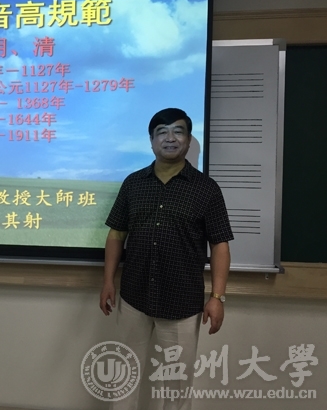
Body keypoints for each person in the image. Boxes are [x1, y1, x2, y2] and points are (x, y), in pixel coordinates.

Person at [99, 108, 233, 410]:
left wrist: (217, 297)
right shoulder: (133, 183)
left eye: (178, 131)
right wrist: (108, 281)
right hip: (133, 297)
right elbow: (116, 233)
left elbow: (220, 245)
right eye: (162, 132)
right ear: (151, 141)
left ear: (188, 139)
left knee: (176, 386)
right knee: (123, 376)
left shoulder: (206, 189)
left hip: (182, 302)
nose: (170, 138)